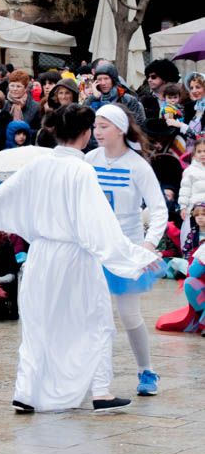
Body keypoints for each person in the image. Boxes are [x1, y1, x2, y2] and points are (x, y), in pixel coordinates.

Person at [0, 104, 161, 413]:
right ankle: (100, 392)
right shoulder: (82, 170)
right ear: (86, 133)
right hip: (76, 256)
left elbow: (1, 198)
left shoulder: (38, 165)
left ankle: (26, 392)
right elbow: (99, 225)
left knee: (38, 324)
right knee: (95, 320)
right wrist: (135, 255)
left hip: (41, 255)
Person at [86, 104, 166, 397]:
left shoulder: (137, 165)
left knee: (129, 315)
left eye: (104, 126)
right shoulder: (89, 160)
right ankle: (89, 374)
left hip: (126, 248)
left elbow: (158, 209)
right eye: (95, 126)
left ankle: (147, 369)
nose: (97, 132)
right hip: (94, 247)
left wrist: (148, 243)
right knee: (90, 313)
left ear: (120, 129)